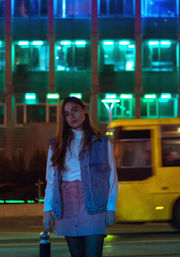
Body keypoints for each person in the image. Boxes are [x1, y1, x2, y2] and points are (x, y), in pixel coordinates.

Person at [43, 96, 118, 257]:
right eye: (66, 113)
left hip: (94, 205)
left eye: (75, 110)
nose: (71, 116)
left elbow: (111, 177)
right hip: (67, 206)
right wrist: (47, 211)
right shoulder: (56, 146)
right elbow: (51, 181)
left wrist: (111, 207)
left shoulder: (102, 142)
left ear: (85, 110)